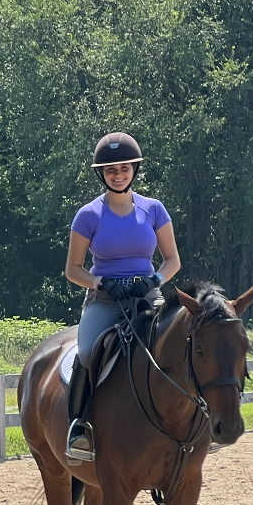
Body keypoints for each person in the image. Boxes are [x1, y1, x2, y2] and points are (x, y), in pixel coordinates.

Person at [63, 132, 181, 462]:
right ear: (102, 173)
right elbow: (73, 269)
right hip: (105, 300)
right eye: (111, 169)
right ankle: (80, 427)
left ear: (134, 170)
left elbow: (173, 259)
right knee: (86, 353)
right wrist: (101, 283)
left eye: (124, 167)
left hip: (147, 297)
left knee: (179, 343)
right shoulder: (88, 215)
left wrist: (153, 279)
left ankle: (195, 420)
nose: (118, 174)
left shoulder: (154, 209)